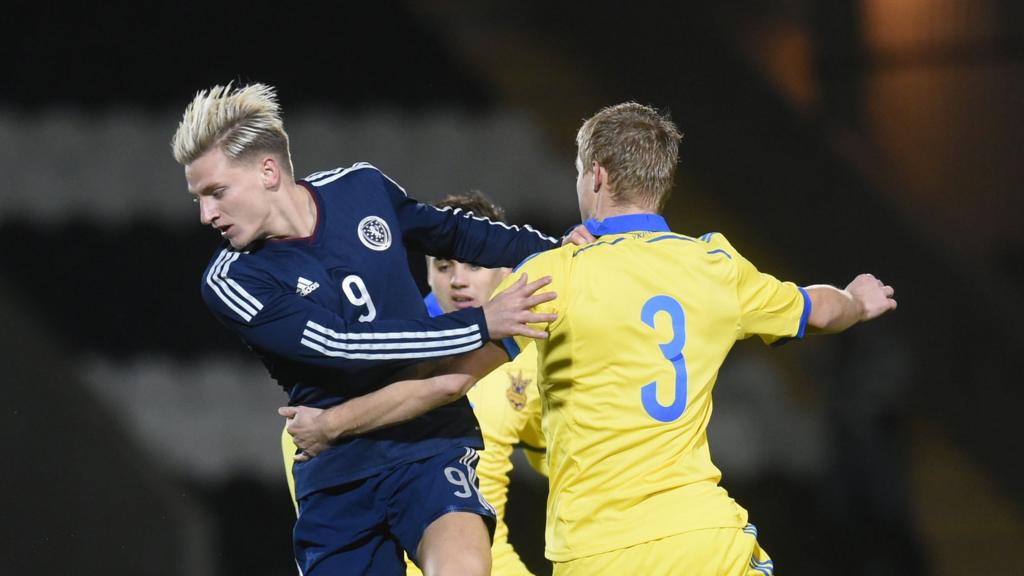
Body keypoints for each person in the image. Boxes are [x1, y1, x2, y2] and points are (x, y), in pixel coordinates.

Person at [171, 82, 566, 576]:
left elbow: (453, 231)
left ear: (268, 171)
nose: (207, 214)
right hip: (339, 475)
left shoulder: (360, 188)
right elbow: (342, 345)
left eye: (216, 192)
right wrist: (480, 323)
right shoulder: (232, 279)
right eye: (198, 199)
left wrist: (560, 251)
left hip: (428, 445)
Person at [491, 102, 898, 575]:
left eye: (580, 172)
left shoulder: (553, 274)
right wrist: (856, 300)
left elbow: (462, 358)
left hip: (599, 550)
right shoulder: (715, 266)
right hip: (703, 540)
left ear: (596, 176)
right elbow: (820, 310)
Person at [282, 191, 548, 576]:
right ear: (425, 269)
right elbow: (302, 437)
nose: (458, 280)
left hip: (484, 559)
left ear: (505, 269)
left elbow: (557, 457)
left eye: (475, 265)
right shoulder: (387, 345)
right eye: (443, 266)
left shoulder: (527, 354)